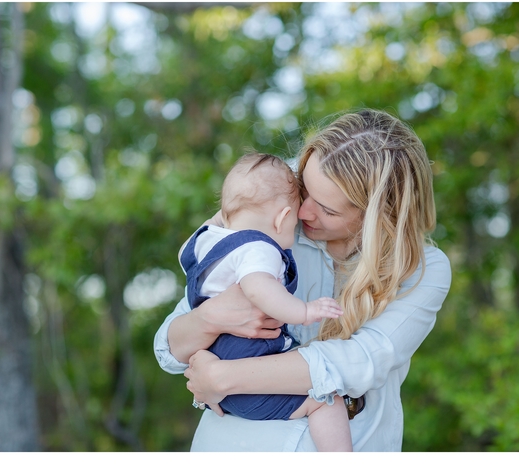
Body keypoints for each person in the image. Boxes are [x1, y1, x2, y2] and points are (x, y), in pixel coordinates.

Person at [154, 109, 452, 451]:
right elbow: (168, 347)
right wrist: (209, 317)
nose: (304, 212)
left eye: (328, 209)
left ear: (379, 214)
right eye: (304, 191)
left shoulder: (423, 269)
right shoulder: (270, 222)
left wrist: (222, 377)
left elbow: (358, 361)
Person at [177, 152, 351, 451]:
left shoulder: (203, 239)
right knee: (328, 403)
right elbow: (259, 289)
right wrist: (305, 311)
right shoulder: (259, 249)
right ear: (283, 218)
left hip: (216, 361)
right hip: (248, 363)